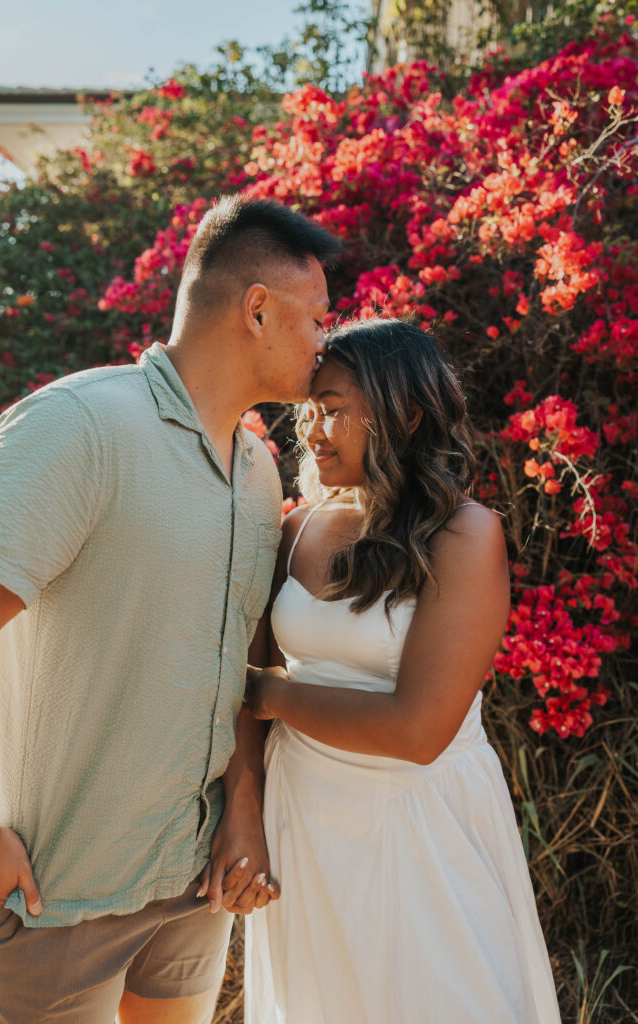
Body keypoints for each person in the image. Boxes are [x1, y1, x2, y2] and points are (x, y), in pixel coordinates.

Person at [0, 195, 340, 1024]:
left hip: (192, 884)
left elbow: (236, 662)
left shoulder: (258, 470)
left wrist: (241, 803)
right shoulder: (78, 426)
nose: (325, 341)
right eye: (317, 318)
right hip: (56, 889)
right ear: (257, 308)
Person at [244, 317, 562, 1024]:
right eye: (307, 412)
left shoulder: (462, 533)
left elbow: (418, 730)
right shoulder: (294, 529)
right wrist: (243, 816)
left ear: (406, 414)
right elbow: (245, 693)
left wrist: (269, 693)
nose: (312, 432)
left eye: (332, 411)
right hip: (304, 816)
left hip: (419, 820)